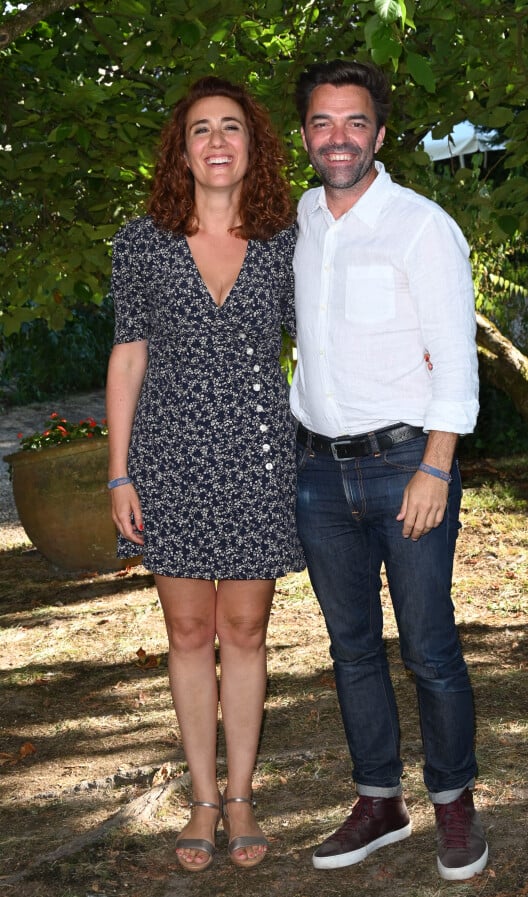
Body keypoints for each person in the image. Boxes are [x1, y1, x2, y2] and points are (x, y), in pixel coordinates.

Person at [291, 60, 488, 881]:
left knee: (430, 647)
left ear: (379, 132)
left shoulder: (420, 225)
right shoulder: (300, 217)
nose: (339, 138)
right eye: (323, 123)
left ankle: (452, 803)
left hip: (408, 463)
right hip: (319, 477)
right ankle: (379, 799)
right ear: (306, 134)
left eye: (355, 122)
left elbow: (456, 358)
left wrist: (436, 468)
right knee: (351, 647)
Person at [106, 75, 304, 873]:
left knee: (245, 632)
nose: (216, 141)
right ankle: (201, 796)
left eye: (231, 127)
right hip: (170, 459)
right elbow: (127, 355)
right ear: (180, 150)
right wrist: (119, 474)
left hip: (259, 457)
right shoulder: (140, 241)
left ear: (252, 144)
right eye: (200, 130)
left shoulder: (289, 240)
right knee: (188, 632)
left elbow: (323, 336)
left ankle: (245, 792)